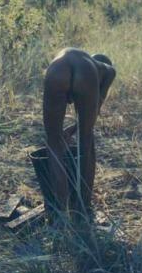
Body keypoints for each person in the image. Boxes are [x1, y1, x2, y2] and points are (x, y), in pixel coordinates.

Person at [42, 48, 116, 221]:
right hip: (85, 73)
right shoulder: (108, 71)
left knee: (53, 142)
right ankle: (83, 208)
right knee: (86, 142)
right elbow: (96, 107)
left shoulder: (79, 58)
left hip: (55, 70)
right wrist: (79, 129)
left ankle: (60, 210)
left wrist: (69, 130)